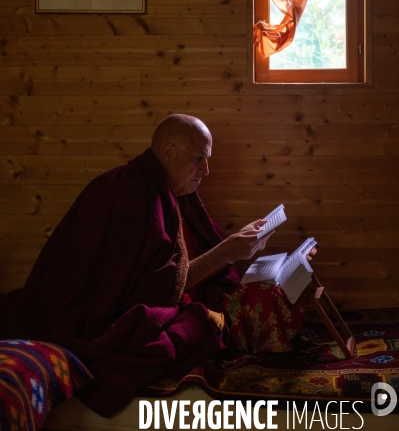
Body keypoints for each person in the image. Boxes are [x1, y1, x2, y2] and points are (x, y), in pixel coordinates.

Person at [0, 115, 304, 417]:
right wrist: (228, 252)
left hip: (112, 306)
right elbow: (158, 291)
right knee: (191, 332)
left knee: (204, 324)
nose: (206, 170)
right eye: (199, 158)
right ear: (169, 152)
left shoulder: (162, 191)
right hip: (85, 320)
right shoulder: (130, 192)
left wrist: (232, 248)